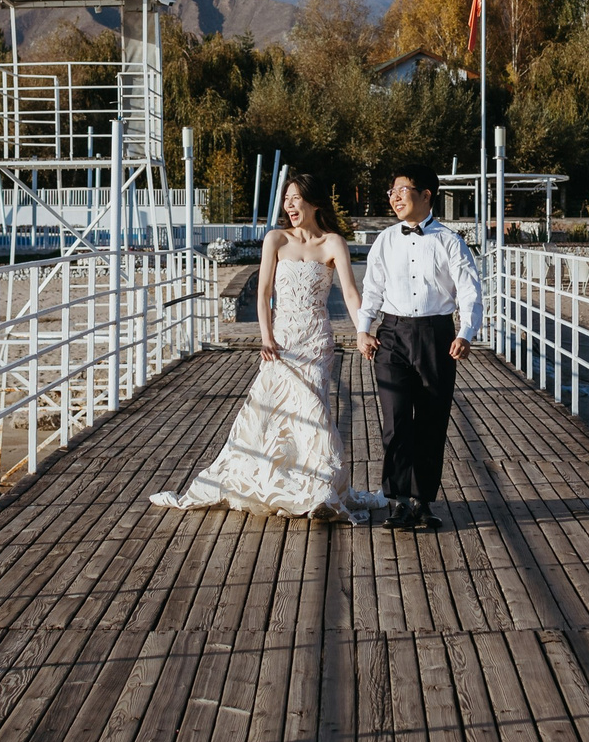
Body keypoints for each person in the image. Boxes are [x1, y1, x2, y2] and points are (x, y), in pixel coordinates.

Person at [151, 173, 385, 522]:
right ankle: (287, 484)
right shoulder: (275, 239)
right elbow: (262, 294)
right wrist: (266, 336)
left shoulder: (334, 243)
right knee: (276, 414)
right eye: (287, 199)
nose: (290, 205)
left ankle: (319, 490)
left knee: (314, 413)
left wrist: (363, 331)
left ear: (314, 202)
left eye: (296, 198)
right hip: (282, 341)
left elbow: (351, 294)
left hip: (317, 341)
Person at [357, 166, 482, 532]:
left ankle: (421, 501)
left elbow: (470, 291)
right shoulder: (385, 240)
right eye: (391, 191)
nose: (394, 197)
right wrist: (364, 330)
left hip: (436, 335)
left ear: (426, 195)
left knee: (431, 421)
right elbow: (372, 288)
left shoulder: (450, 241)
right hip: (392, 334)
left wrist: (467, 332)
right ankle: (397, 501)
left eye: (402, 190)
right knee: (395, 422)